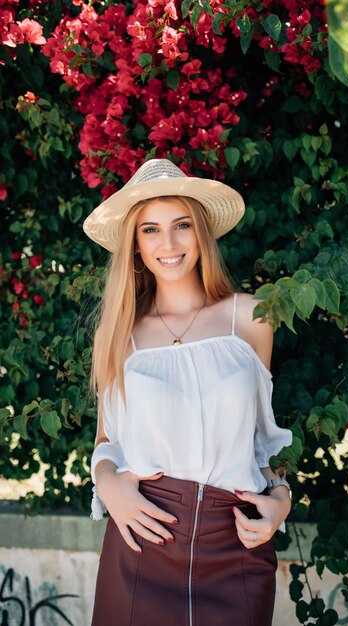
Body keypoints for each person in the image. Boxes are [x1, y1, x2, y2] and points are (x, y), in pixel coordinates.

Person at [83, 158, 293, 626]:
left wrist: (281, 497)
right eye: (151, 230)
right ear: (135, 246)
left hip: (235, 542)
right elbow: (106, 441)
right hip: (144, 535)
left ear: (201, 232)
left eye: (181, 225)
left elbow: (259, 439)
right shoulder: (119, 334)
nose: (169, 244)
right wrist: (107, 483)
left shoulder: (252, 319)